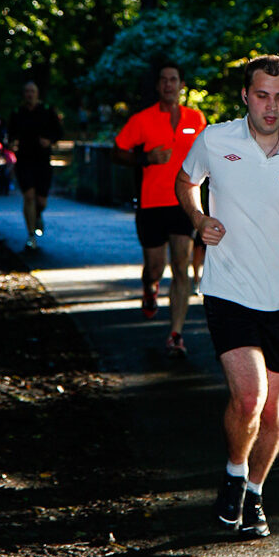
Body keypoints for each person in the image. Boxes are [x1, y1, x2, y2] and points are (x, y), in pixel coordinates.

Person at [175, 55, 279, 538]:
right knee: (250, 397)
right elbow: (185, 181)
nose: (271, 107)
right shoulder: (214, 139)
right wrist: (199, 219)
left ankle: (254, 491)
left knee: (273, 409)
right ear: (246, 96)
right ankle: (233, 473)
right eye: (262, 95)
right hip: (229, 287)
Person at [113, 63, 207, 356]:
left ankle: (175, 334)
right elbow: (117, 151)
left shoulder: (196, 118)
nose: (168, 85)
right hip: (152, 203)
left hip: (184, 202)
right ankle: (149, 286)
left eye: (174, 80)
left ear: (182, 85)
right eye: (163, 80)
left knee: (181, 265)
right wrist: (145, 157)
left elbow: (209, 154)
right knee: (155, 267)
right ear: (158, 86)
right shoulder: (142, 120)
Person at [8, 81, 63, 250]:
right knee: (29, 196)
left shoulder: (47, 110)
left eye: (32, 91)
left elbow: (59, 132)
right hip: (24, 160)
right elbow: (9, 134)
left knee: (41, 201)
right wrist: (11, 144)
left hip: (42, 161)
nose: (30, 94)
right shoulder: (17, 113)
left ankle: (37, 215)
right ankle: (31, 235)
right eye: (27, 91)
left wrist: (49, 140)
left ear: (37, 93)